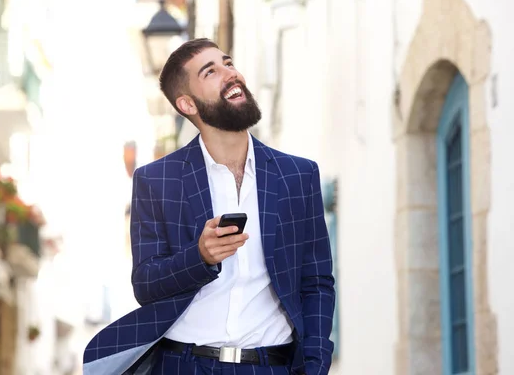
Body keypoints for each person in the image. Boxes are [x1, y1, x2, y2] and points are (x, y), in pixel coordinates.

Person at [83, 38, 336, 375]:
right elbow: (146, 284)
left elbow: (316, 281)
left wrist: (316, 364)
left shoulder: (298, 176)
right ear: (188, 104)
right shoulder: (157, 181)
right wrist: (199, 257)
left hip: (270, 367)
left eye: (228, 63)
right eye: (211, 72)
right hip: (184, 365)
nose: (230, 74)